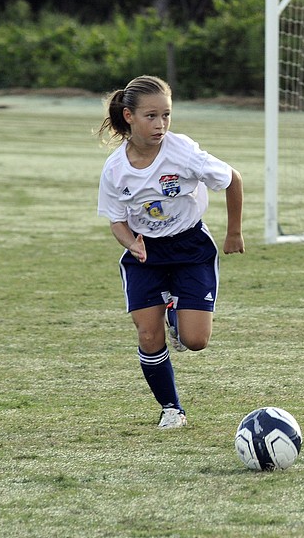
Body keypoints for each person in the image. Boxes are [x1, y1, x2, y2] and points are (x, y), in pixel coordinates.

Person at [96, 75, 244, 429]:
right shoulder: (115, 169)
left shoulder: (183, 151)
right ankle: (171, 409)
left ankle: (176, 313)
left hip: (190, 246)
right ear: (129, 116)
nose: (161, 124)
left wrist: (234, 232)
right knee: (148, 334)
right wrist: (131, 243)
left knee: (196, 341)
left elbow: (233, 179)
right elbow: (116, 221)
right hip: (145, 255)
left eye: (166, 115)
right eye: (151, 116)